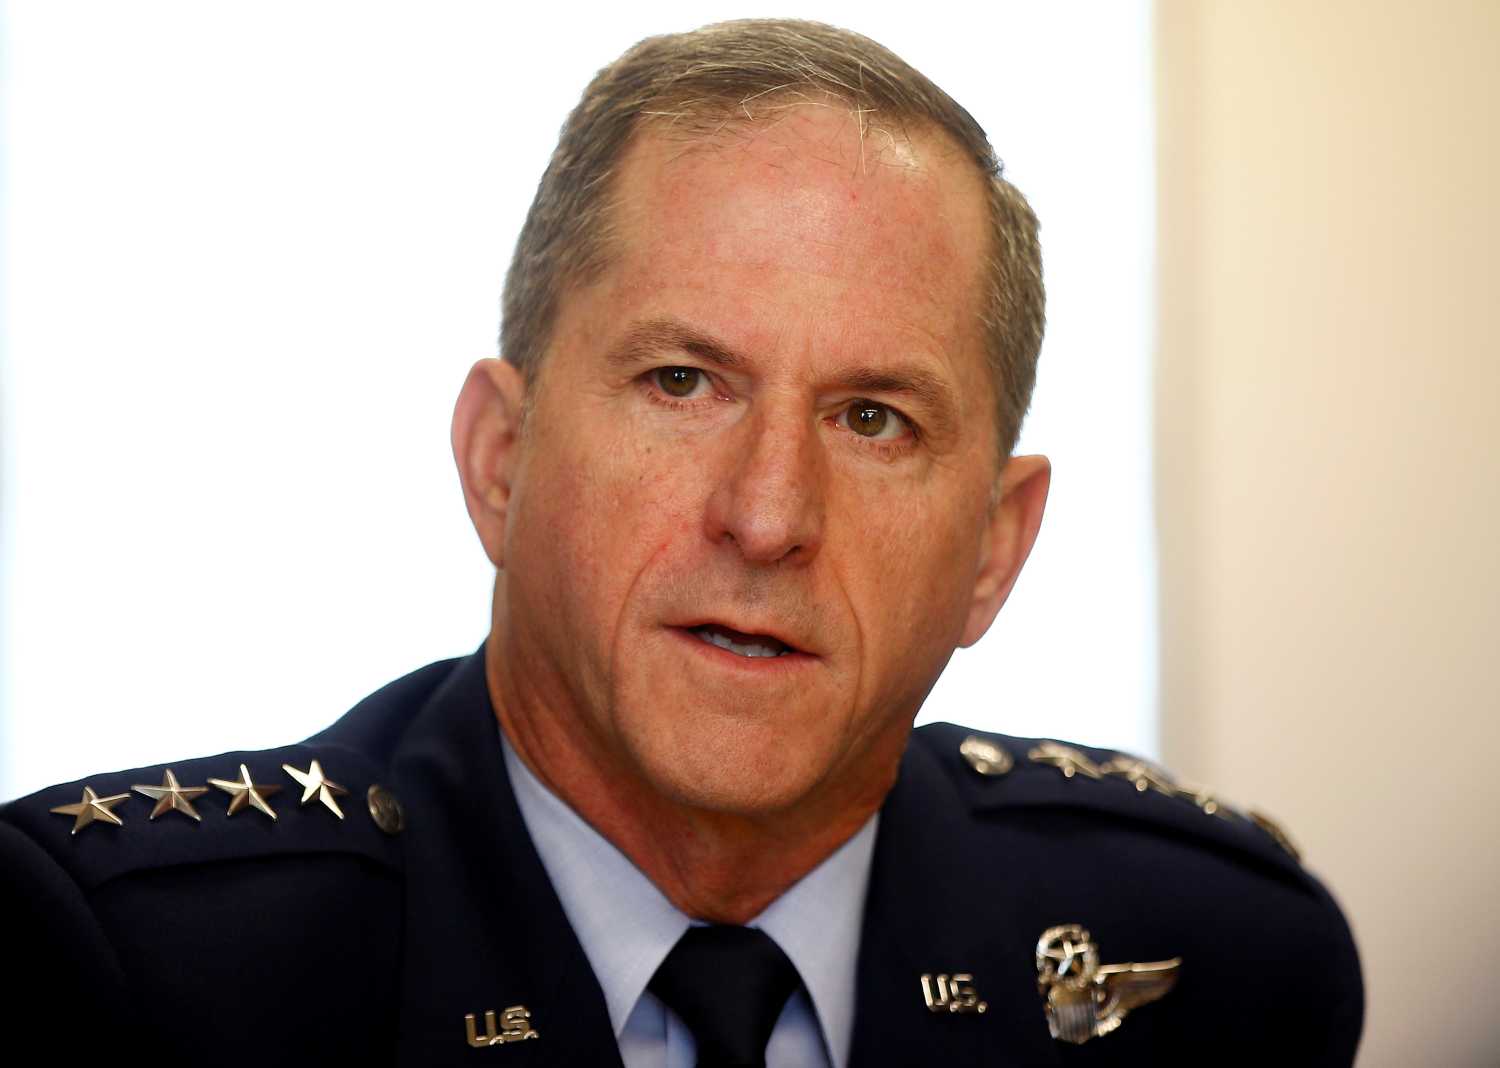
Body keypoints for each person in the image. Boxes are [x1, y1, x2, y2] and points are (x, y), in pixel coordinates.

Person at [0, 18, 1361, 1066]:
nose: (768, 516)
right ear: (500, 460)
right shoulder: (139, 978)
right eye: (681, 384)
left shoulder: (1219, 965)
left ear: (996, 550)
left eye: (874, 418)